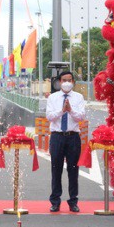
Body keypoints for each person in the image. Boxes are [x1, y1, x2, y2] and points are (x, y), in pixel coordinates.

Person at [46, 71, 86, 213]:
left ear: (73, 82)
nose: (67, 83)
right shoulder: (53, 97)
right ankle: (55, 201)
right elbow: (50, 116)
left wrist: (71, 110)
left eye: (69, 80)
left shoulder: (79, 97)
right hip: (57, 136)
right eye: (64, 80)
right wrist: (62, 111)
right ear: (60, 82)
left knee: (73, 169)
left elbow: (81, 116)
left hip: (73, 136)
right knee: (56, 169)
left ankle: (73, 201)